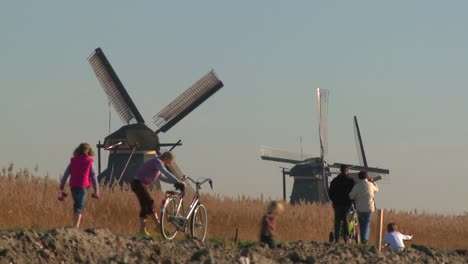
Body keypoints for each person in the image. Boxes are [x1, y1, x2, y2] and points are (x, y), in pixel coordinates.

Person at [131, 151, 185, 236]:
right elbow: (165, 172)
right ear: (166, 158)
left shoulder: (157, 163)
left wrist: (175, 182)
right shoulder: (157, 162)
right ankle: (158, 225)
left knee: (145, 206)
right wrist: (178, 181)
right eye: (168, 162)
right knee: (150, 202)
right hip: (138, 184)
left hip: (140, 184)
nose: (168, 165)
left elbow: (162, 178)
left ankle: (142, 230)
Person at [59, 143, 100, 228]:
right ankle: (76, 227)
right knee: (80, 206)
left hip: (73, 186)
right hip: (83, 186)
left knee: (76, 205)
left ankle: (74, 225)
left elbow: (66, 173)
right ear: (88, 151)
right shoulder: (89, 161)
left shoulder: (73, 160)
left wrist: (62, 185)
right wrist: (96, 190)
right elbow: (93, 176)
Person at [349, 170, 378, 244]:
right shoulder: (370, 185)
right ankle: (365, 239)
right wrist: (373, 182)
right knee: (367, 223)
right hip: (369, 207)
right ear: (367, 177)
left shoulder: (357, 186)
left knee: (361, 223)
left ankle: (363, 238)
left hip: (360, 208)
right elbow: (376, 189)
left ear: (359, 177)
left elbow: (351, 196)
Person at [328, 164, 355, 243]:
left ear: (340, 170)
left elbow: (330, 192)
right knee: (346, 219)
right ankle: (346, 237)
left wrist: (333, 200)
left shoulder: (335, 180)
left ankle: (336, 238)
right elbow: (353, 193)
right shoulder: (351, 181)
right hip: (347, 203)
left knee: (337, 221)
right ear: (347, 171)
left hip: (337, 204)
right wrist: (351, 201)